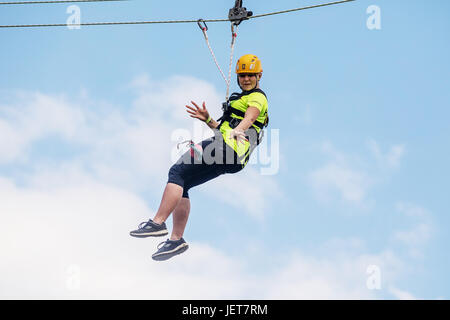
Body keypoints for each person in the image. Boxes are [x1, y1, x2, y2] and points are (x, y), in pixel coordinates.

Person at [130, 54, 269, 261]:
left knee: (176, 172)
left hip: (226, 148)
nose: (246, 79)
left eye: (250, 75)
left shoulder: (257, 97)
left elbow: (251, 116)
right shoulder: (240, 99)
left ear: (259, 75)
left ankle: (157, 223)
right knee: (183, 184)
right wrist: (208, 120)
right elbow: (224, 128)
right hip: (233, 159)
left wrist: (237, 130)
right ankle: (176, 240)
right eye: (242, 76)